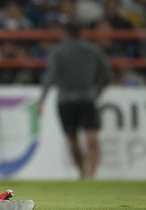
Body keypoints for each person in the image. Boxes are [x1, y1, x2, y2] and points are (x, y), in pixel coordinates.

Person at [37, 23, 112, 179]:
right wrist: (96, 92)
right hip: (86, 98)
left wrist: (42, 100)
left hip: (65, 100)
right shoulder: (93, 50)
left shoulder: (58, 52)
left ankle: (82, 172)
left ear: (64, 34)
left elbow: (50, 77)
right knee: (92, 136)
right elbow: (106, 75)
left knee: (72, 138)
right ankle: (92, 173)